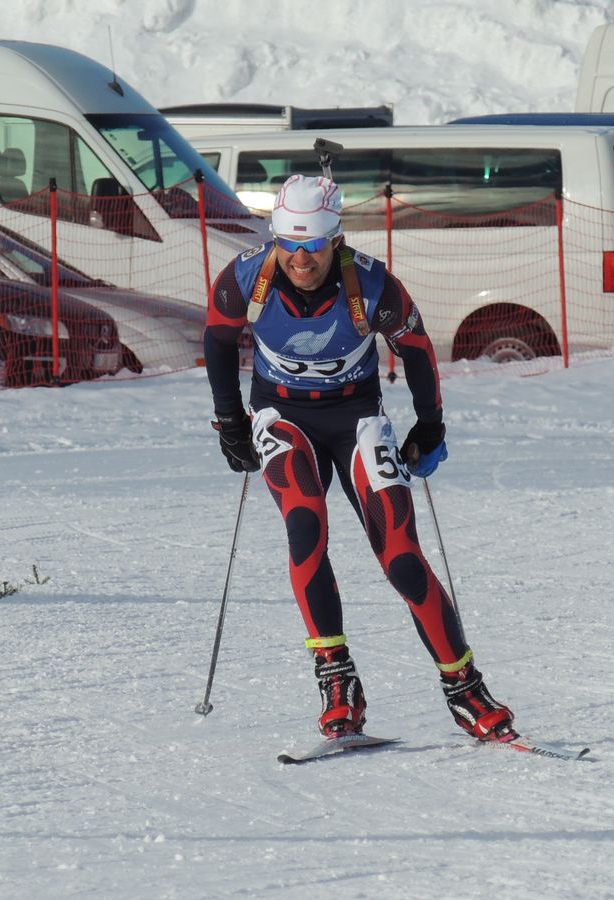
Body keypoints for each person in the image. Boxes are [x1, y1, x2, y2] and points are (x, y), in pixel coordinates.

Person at [203, 173, 517, 743]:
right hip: (282, 416)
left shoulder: (371, 285)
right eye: (289, 245)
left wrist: (430, 424)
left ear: (335, 239)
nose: (301, 258)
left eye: (314, 245)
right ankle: (337, 680)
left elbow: (417, 350)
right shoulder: (245, 278)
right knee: (305, 529)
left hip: (355, 418)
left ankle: (464, 688)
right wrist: (229, 422)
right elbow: (218, 340)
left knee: (399, 550)